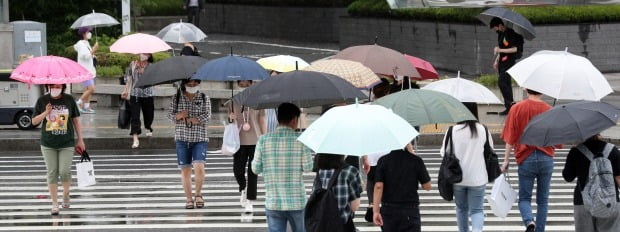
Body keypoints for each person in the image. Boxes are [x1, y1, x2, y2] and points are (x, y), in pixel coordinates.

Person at [501, 89, 558, 232]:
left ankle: (529, 221)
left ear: (526, 89)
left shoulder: (516, 108)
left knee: (524, 198)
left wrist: (506, 159)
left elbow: (510, 137)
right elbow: (558, 142)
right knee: (543, 201)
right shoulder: (549, 110)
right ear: (542, 91)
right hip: (546, 157)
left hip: (525, 157)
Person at [252, 103, 314, 232]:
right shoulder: (301, 140)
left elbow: (255, 169)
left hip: (274, 201)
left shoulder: (263, 140)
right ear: (294, 120)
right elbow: (308, 167)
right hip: (297, 201)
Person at [31, 84, 85, 215]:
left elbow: (76, 120)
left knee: (65, 171)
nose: (55, 88)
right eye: (52, 86)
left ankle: (66, 194)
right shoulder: (42, 100)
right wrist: (45, 112)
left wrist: (80, 139)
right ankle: (55, 203)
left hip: (66, 142)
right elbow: (34, 122)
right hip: (48, 143)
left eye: (58, 86)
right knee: (52, 172)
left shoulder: (69, 100)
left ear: (63, 87)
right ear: (48, 86)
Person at [440, 120, 493, 232]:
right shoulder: (483, 129)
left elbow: (444, 152)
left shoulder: (452, 130)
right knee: (477, 210)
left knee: (461, 209)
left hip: (457, 178)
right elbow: (490, 149)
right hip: (478, 178)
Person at [167, 79, 211, 209]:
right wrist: (179, 115)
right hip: (182, 138)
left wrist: (194, 119)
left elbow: (207, 116)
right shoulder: (177, 97)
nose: (192, 86)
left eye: (195, 84)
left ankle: (198, 194)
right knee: (185, 170)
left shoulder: (204, 97)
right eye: (189, 84)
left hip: (200, 137)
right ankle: (189, 198)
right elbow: (170, 115)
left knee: (199, 166)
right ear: (184, 84)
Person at [562, 134, 620, 232]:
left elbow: (568, 177)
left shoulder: (576, 151)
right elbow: (619, 178)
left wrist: (573, 156)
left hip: (583, 202)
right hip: (610, 201)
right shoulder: (612, 150)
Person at [227, 80, 266, 213]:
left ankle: (250, 200)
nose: (244, 85)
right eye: (241, 83)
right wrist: (231, 117)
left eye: (247, 83)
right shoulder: (233, 101)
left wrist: (265, 138)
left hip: (256, 140)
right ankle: (243, 188)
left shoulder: (258, 100)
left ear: (251, 84)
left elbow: (261, 120)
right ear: (238, 84)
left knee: (253, 171)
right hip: (239, 140)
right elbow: (230, 120)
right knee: (237, 170)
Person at [373, 143, 431, 232]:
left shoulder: (383, 160)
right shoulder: (416, 160)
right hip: (410, 209)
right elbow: (427, 186)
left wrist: (376, 211)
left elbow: (378, 186)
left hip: (389, 209)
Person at [313, 154, 362, 231]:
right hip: (342, 224)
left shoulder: (320, 172)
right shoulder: (350, 171)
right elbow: (355, 206)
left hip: (321, 224)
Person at [490, 17, 523, 115]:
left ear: (500, 25)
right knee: (506, 84)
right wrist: (496, 60)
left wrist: (499, 50)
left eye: (495, 28)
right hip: (502, 62)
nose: (495, 30)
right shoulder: (500, 34)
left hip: (509, 62)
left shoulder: (511, 33)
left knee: (502, 82)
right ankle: (509, 107)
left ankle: (511, 105)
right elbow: (501, 47)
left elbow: (514, 49)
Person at [121, 53, 155, 149]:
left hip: (148, 94)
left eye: (145, 53)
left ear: (149, 55)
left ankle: (148, 126)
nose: (142, 55)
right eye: (141, 53)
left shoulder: (151, 66)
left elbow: (154, 80)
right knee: (134, 117)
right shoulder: (133, 64)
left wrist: (144, 73)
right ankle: (135, 138)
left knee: (149, 115)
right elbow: (128, 78)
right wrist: (125, 90)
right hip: (135, 94)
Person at [74, 26, 99, 114]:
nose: (90, 34)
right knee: (91, 89)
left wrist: (93, 53)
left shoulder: (86, 43)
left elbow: (89, 56)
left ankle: (86, 106)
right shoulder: (81, 44)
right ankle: (78, 103)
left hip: (89, 70)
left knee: (89, 89)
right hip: (84, 70)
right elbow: (84, 56)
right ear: (83, 34)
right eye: (88, 32)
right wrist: (94, 50)